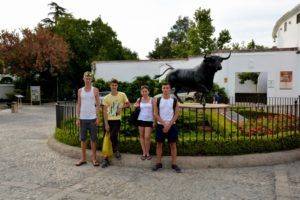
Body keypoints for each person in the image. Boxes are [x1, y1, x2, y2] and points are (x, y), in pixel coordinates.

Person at [152, 82, 182, 173]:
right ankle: (158, 163)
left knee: (173, 145)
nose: (165, 89)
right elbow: (155, 114)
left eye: (167, 88)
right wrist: (164, 124)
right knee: (159, 145)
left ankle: (174, 164)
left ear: (170, 89)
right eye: (164, 88)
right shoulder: (158, 100)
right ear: (162, 89)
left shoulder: (174, 101)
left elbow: (176, 114)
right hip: (161, 125)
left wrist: (169, 124)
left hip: (172, 125)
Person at [102, 78, 130, 168]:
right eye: (112, 85)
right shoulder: (106, 98)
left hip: (117, 120)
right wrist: (106, 123)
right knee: (106, 139)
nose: (114, 87)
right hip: (108, 120)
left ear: (117, 86)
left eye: (115, 85)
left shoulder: (122, 95)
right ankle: (106, 159)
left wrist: (121, 107)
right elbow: (104, 111)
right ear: (110, 86)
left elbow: (128, 104)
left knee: (113, 136)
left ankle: (116, 150)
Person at [75, 71, 100, 167]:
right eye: (86, 78)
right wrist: (77, 118)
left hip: (93, 118)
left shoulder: (95, 90)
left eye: (89, 78)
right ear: (83, 79)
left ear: (91, 79)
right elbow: (79, 104)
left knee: (93, 139)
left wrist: (98, 117)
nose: (88, 80)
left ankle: (94, 159)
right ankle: (83, 158)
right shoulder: (80, 91)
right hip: (82, 118)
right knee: (83, 139)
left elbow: (98, 105)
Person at [134, 85, 155, 161]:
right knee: (142, 136)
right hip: (140, 120)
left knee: (147, 137)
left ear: (148, 92)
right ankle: (144, 153)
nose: (144, 93)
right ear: (141, 92)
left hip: (149, 120)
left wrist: (154, 121)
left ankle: (148, 152)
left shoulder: (152, 100)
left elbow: (154, 111)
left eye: (146, 91)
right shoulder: (139, 99)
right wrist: (135, 105)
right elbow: (135, 106)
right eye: (143, 91)